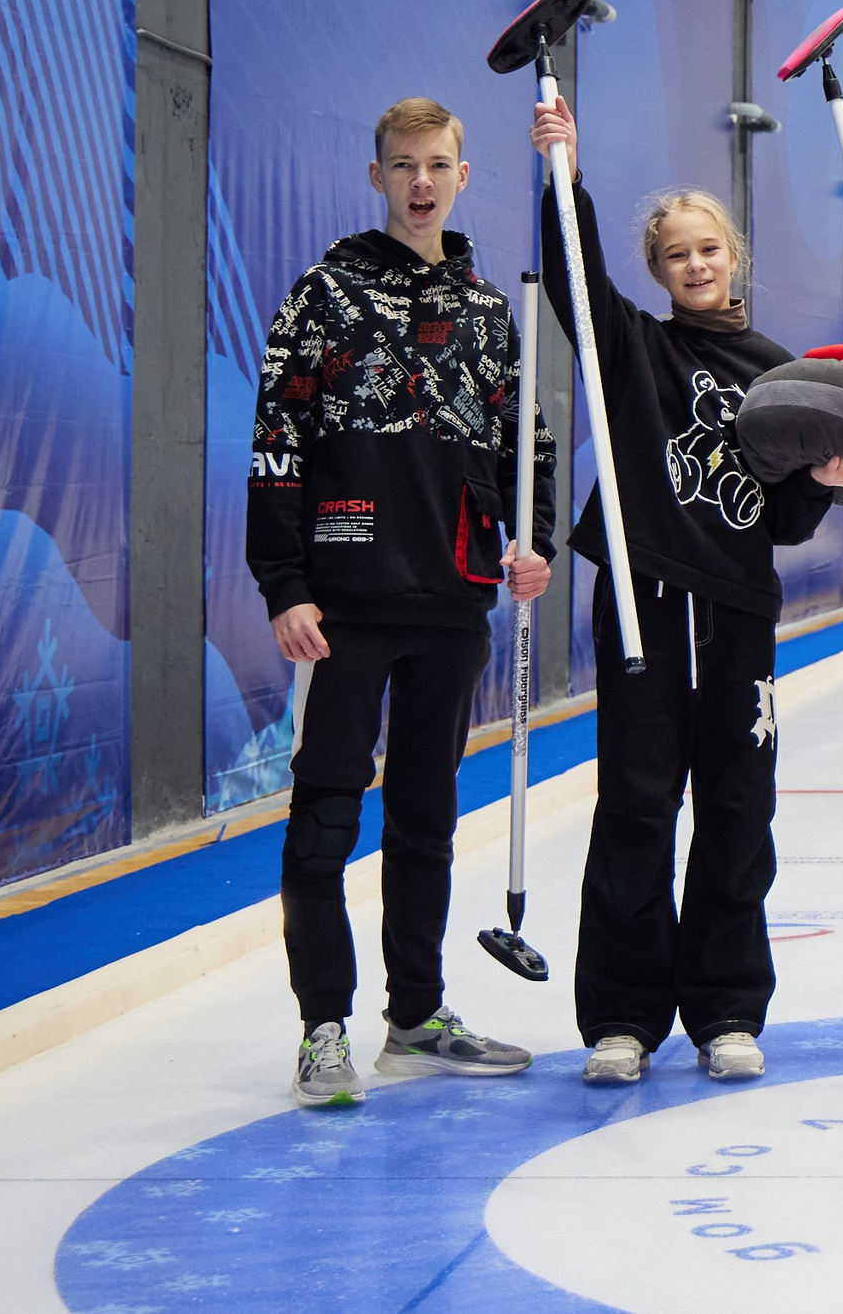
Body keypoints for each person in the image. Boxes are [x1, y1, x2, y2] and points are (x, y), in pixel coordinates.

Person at [532, 97, 843, 1086]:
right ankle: (624, 1019)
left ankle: (725, 1008)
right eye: (676, 253)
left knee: (734, 808)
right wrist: (567, 175)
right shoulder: (631, 346)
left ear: (735, 259)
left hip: (733, 616)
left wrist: (824, 483)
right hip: (643, 601)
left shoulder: (776, 374)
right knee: (636, 806)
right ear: (658, 269)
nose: (694, 264)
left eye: (707, 248)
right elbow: (569, 280)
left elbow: (783, 518)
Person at [250, 96, 555, 1109]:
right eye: (402, 165)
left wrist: (535, 542)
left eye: (437, 164)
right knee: (326, 816)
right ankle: (322, 1026)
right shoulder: (324, 296)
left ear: (462, 176)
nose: (420, 181)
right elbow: (276, 449)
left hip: (453, 606)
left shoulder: (484, 311)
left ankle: (414, 1019)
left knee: (425, 821)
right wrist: (285, 587)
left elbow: (525, 448)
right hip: (344, 605)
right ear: (376, 175)